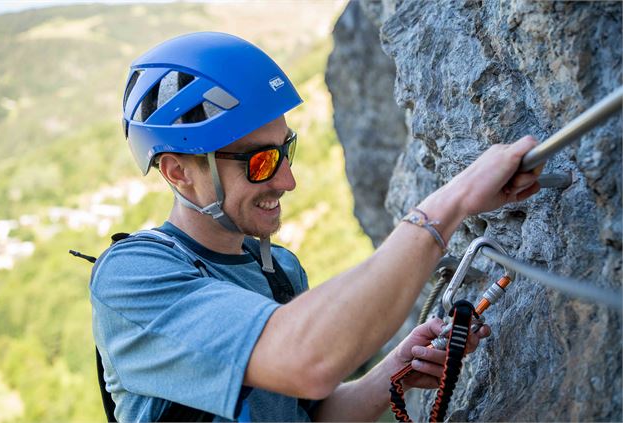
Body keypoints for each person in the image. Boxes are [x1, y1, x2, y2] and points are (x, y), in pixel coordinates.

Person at [90, 32, 542, 422]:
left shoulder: (279, 270)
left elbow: (309, 412)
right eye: (260, 162)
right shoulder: (133, 278)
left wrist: (396, 370)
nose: (287, 180)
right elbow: (307, 360)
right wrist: (453, 200)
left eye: (285, 152)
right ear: (178, 172)